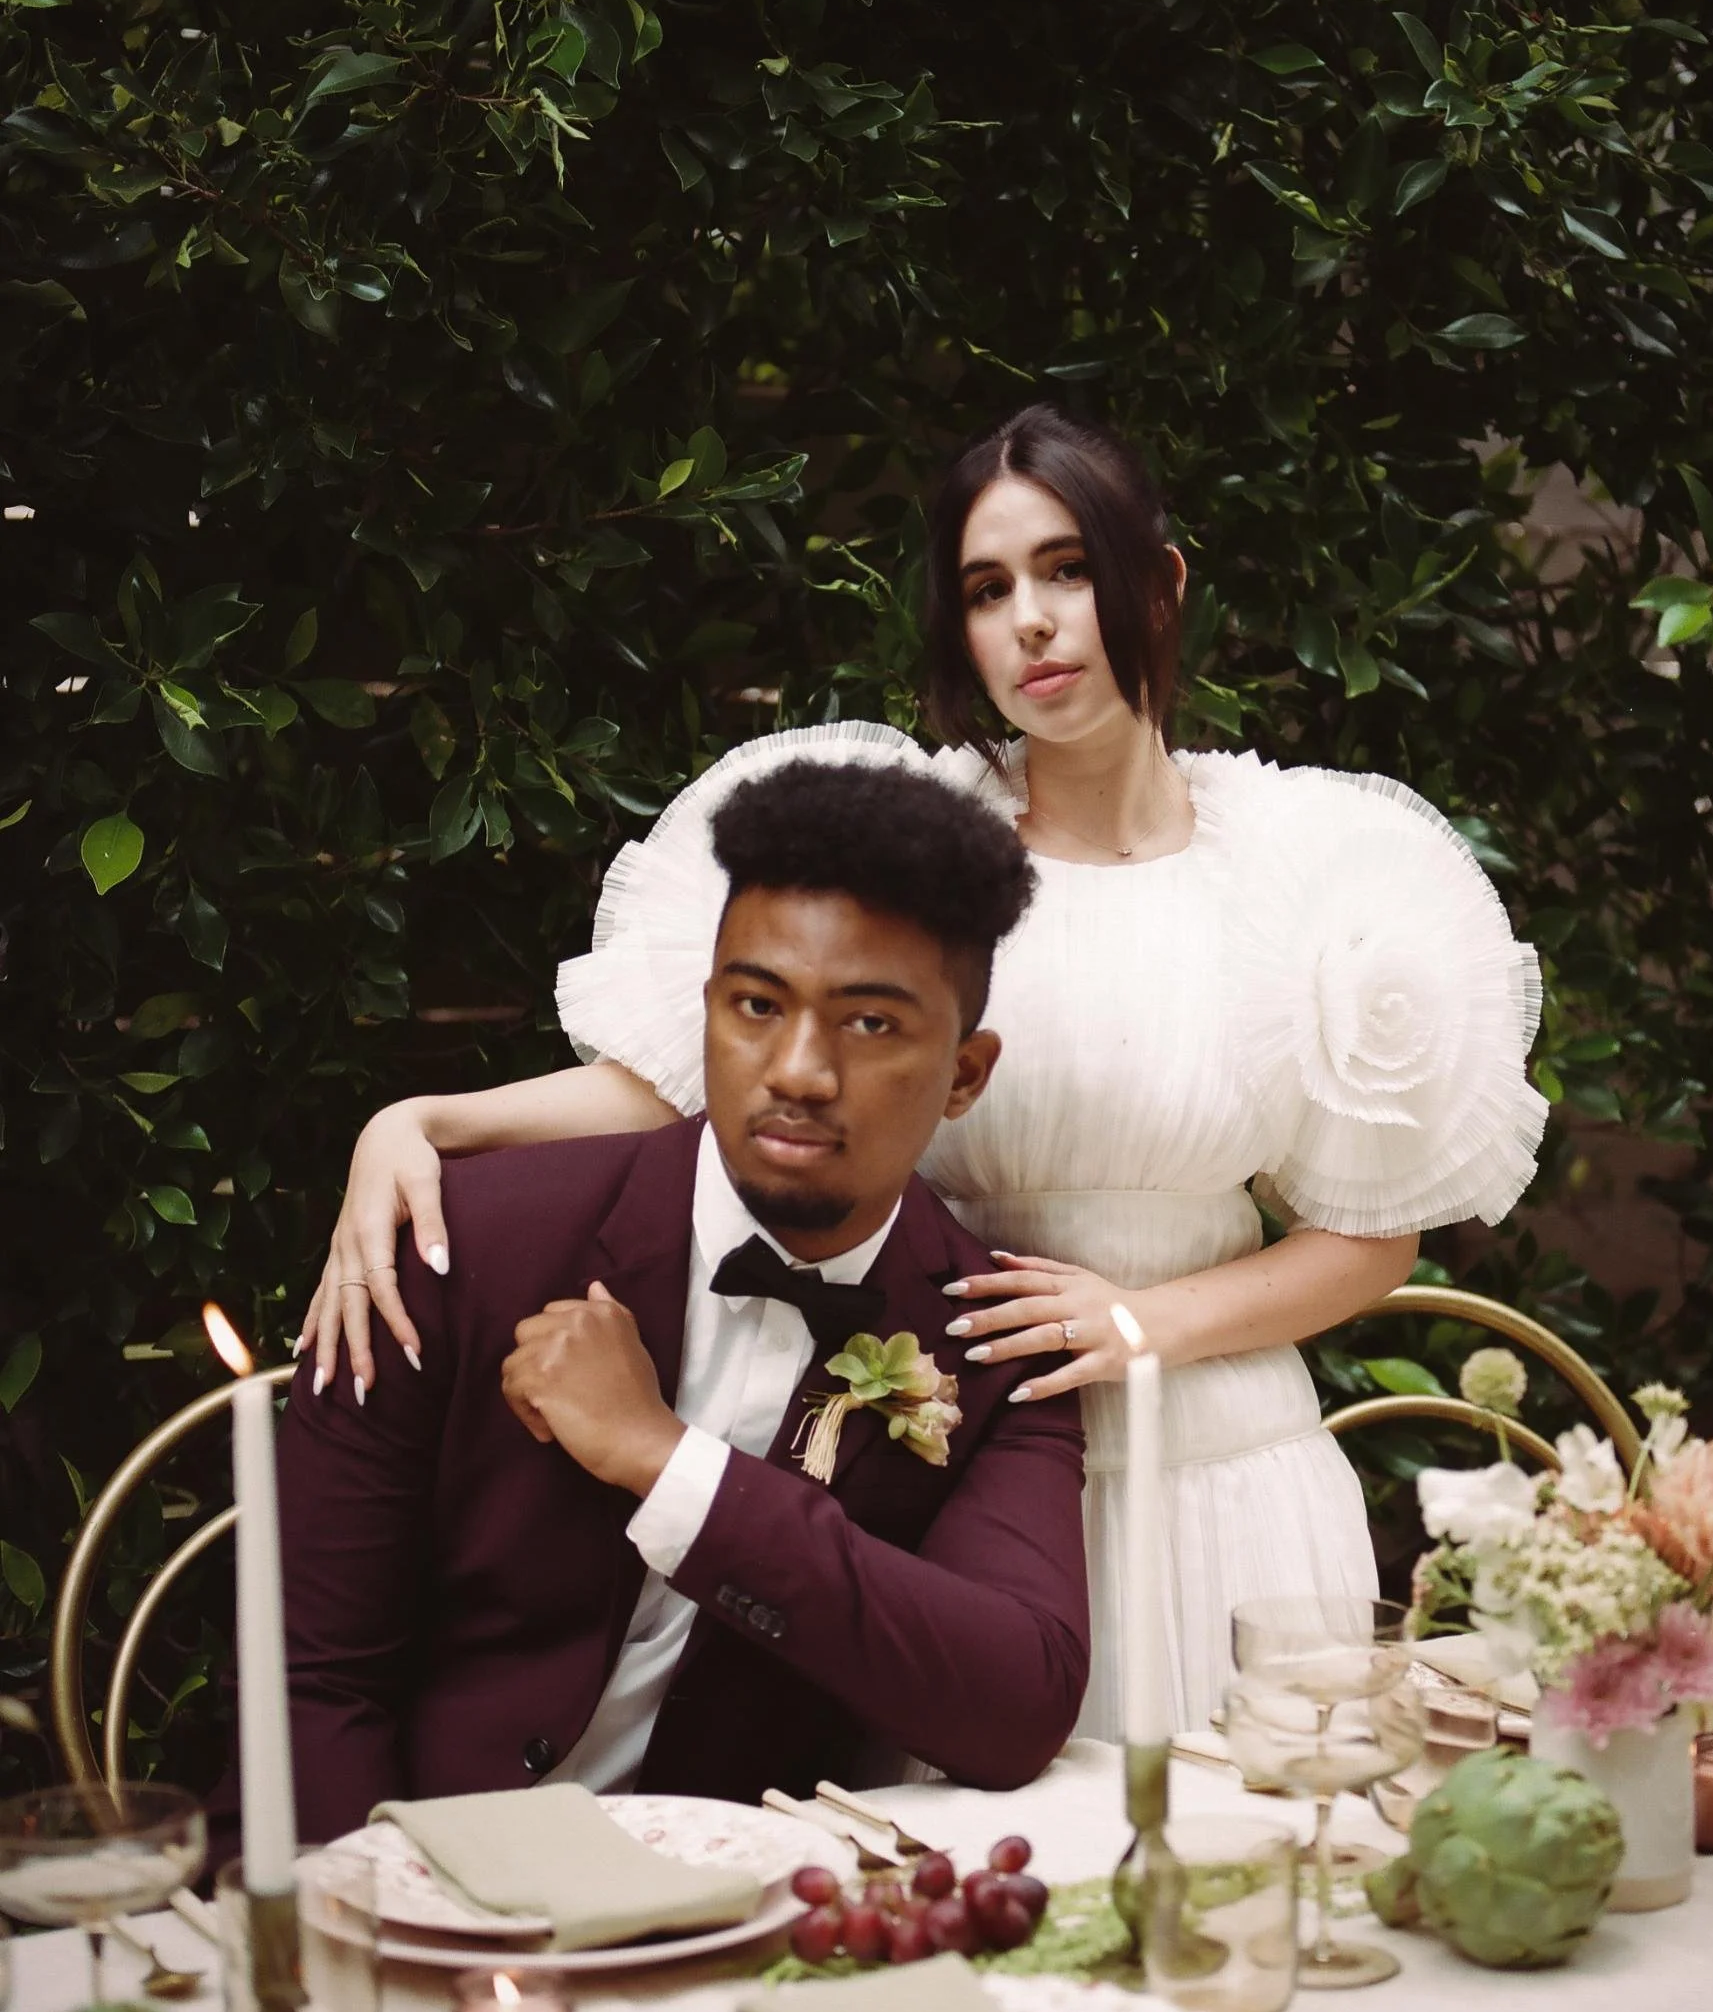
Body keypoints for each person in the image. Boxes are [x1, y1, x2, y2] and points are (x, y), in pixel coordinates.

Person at [303, 406, 1546, 1737]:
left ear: (1161, 582)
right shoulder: (908, 847)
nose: (1033, 620)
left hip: (1222, 1464)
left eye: (1068, 569)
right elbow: (700, 1082)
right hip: (943, 1457)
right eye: (988, 587)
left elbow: (1368, 1234)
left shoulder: (1309, 864)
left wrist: (1142, 1322)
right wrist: (426, 1117)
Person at [217, 762, 1086, 1854]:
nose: (799, 1069)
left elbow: (1015, 1707)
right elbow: (310, 1676)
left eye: (868, 1023)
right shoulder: (461, 1241)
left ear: (963, 1075)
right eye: (757, 1006)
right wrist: (384, 1926)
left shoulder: (987, 1341)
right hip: (407, 1876)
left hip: (728, 1915)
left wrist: (666, 1462)